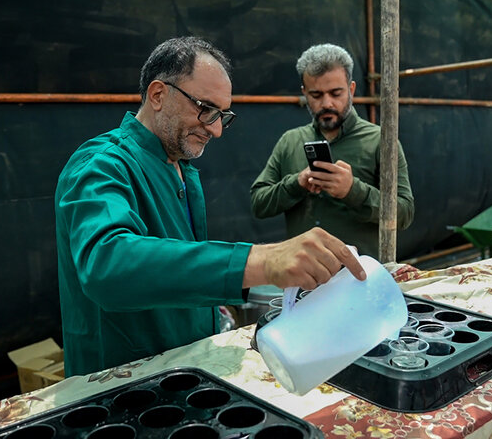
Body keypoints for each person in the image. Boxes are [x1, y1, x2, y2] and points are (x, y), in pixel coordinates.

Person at [55, 37, 366, 377]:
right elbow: (107, 265)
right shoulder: (101, 164)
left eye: (223, 115)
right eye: (205, 109)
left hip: (181, 367)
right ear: (158, 94)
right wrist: (260, 261)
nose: (216, 130)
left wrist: (210, 311)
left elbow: (174, 265)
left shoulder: (179, 167)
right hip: (121, 382)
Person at [250, 44, 414, 259]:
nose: (327, 103)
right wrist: (297, 183)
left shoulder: (381, 142)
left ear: (352, 89)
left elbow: (405, 214)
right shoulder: (290, 141)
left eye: (336, 93)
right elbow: (259, 204)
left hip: (361, 279)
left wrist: (352, 191)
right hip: (302, 278)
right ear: (304, 93)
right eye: (316, 95)